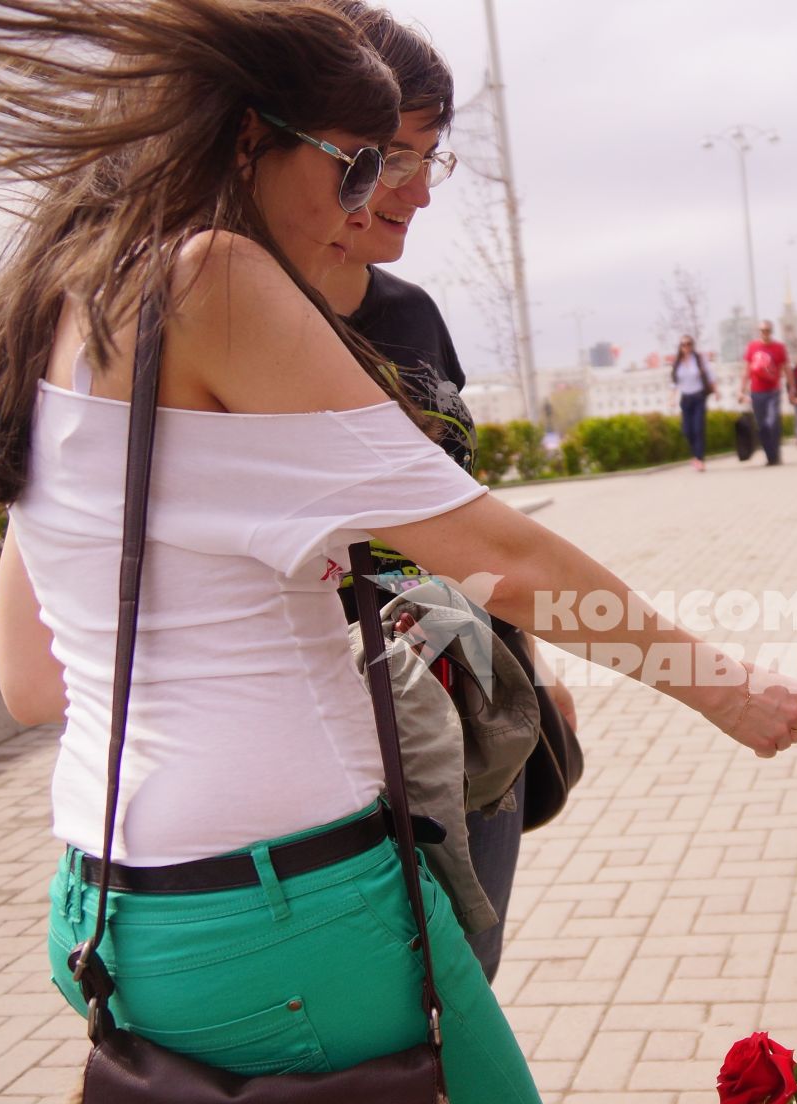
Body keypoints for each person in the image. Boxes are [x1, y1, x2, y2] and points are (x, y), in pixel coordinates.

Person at [0, 6, 797, 1104]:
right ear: (239, 139)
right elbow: (512, 556)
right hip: (287, 902)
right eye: (350, 165)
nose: (368, 202)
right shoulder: (210, 280)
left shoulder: (75, 299)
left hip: (117, 902)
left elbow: (28, 678)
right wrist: (725, 691)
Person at [313, 2, 569, 990]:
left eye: (430, 157)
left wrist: (533, 668)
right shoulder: (231, 322)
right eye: (390, 155)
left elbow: (463, 506)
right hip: (335, 746)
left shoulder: (409, 314)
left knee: (465, 993)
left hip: (466, 709)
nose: (415, 191)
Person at [744, 318, 788, 465]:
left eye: (767, 330)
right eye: (762, 330)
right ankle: (771, 456)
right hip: (756, 392)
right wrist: (741, 390)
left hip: (773, 391)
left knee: (772, 421)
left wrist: (792, 387)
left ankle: (775, 453)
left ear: (771, 331)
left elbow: (786, 368)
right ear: (759, 332)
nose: (765, 333)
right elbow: (747, 369)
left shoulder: (779, 348)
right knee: (761, 425)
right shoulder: (752, 347)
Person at [671, 334, 716, 471]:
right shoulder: (677, 363)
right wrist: (671, 398)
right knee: (687, 430)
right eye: (684, 344)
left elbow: (710, 375)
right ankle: (694, 455)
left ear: (692, 345)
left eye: (689, 344)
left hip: (699, 397)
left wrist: (716, 391)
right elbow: (674, 382)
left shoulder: (699, 359)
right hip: (685, 399)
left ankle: (699, 459)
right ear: (680, 347)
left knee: (698, 429)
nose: (686, 347)